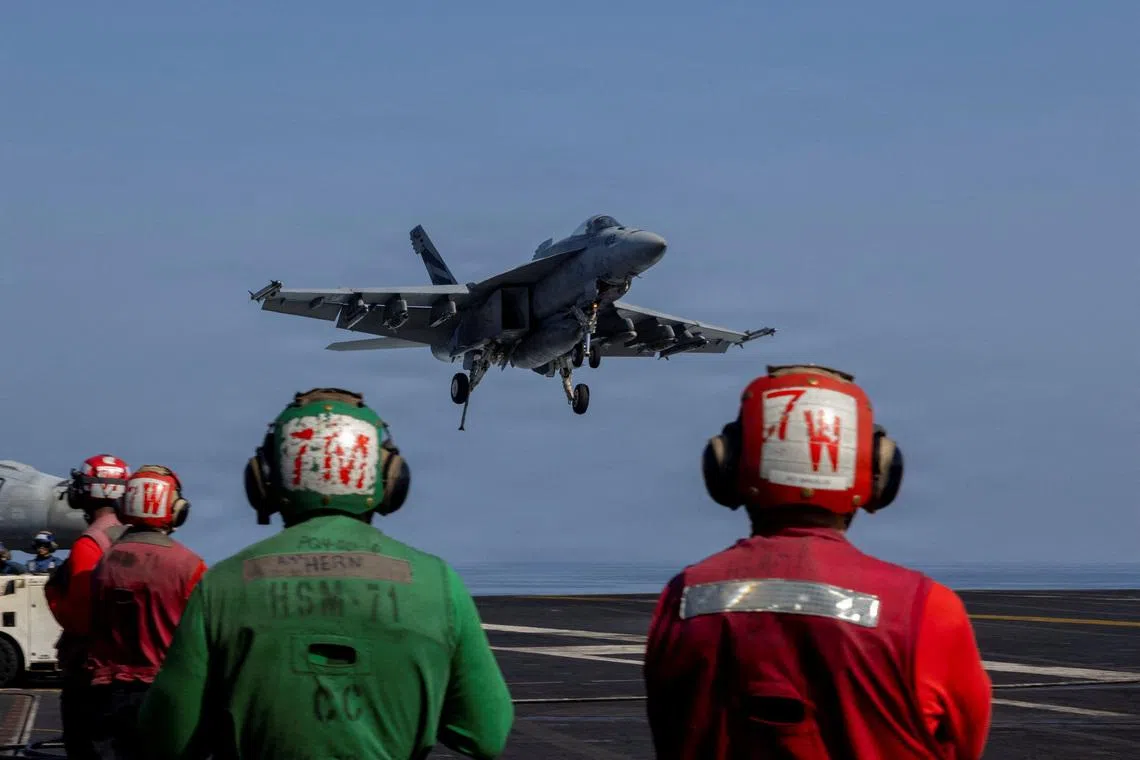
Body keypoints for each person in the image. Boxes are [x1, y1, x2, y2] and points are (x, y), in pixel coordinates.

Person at [137, 387, 514, 759]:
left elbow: (166, 739)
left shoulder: (221, 585)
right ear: (390, 478)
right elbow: (485, 734)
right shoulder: (439, 584)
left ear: (264, 478)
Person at [643, 364, 992, 759]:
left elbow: (670, 731)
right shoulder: (929, 609)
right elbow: (964, 745)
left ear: (726, 465)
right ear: (879, 473)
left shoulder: (684, 598)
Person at [85, 465, 206, 760]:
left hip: (107, 693)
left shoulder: (105, 561)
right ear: (177, 510)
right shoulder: (190, 566)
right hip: (165, 693)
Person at [44, 455, 131, 760]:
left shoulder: (90, 543)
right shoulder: (133, 535)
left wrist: (53, 594)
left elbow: (81, 618)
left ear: (84, 492)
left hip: (93, 674)